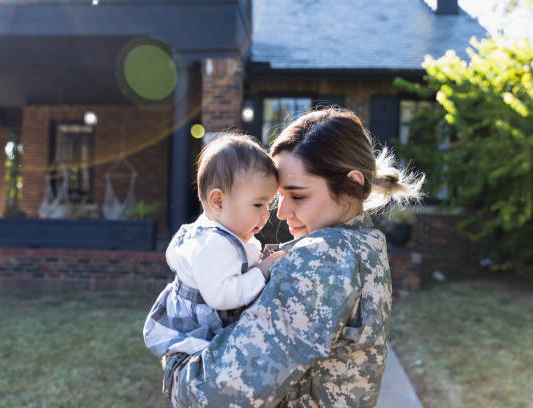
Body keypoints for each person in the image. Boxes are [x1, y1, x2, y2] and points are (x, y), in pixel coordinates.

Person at [165, 108, 424, 408]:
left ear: (351, 186)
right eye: (278, 197)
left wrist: (176, 363)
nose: (281, 212)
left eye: (298, 196)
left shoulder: (322, 260)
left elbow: (210, 397)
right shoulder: (364, 243)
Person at [142, 134, 285, 393]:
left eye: (268, 204)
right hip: (196, 331)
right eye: (258, 204)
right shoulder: (212, 245)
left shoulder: (227, 234)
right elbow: (222, 296)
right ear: (218, 201)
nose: (266, 215)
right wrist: (262, 272)